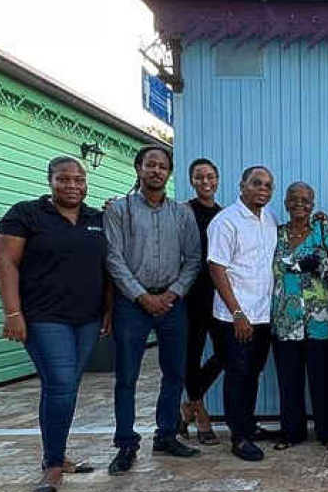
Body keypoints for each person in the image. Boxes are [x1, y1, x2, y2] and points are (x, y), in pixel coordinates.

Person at [0, 156, 112, 492]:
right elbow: (5, 260)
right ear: (50, 181)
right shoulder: (26, 214)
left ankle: (55, 452)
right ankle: (54, 465)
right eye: (64, 179)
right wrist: (12, 313)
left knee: (65, 386)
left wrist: (107, 308)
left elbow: (106, 266)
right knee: (60, 383)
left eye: (78, 179)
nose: (72, 185)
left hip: (86, 318)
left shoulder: (97, 219)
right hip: (44, 317)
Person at [104, 145, 202, 475]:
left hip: (173, 303)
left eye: (162, 166)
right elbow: (113, 258)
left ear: (169, 173)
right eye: (150, 165)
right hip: (132, 305)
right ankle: (126, 444)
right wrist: (141, 296)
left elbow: (192, 259)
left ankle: (166, 435)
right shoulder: (119, 210)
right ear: (138, 168)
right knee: (127, 377)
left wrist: (173, 293)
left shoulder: (182, 213)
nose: (156, 171)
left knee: (174, 373)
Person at [271, 182, 328, 452]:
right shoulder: (275, 234)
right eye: (294, 199)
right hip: (286, 319)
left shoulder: (323, 230)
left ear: (313, 204)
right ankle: (291, 432)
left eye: (306, 200)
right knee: (289, 378)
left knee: (326, 378)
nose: (300, 204)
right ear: (285, 203)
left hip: (323, 319)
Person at [207, 166, 279, 462]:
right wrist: (237, 312)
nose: (263, 188)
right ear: (242, 186)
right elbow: (216, 267)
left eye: (268, 185)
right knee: (237, 374)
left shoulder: (269, 219)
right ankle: (239, 436)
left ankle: (248, 425)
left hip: (262, 315)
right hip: (236, 316)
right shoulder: (226, 221)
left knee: (253, 373)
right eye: (256, 183)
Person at [180, 158, 224, 445]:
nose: (205, 181)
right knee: (191, 355)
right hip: (191, 293)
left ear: (217, 179)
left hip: (219, 292)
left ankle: (189, 406)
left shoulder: (224, 215)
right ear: (192, 181)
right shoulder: (183, 212)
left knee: (226, 353)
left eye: (210, 176)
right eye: (199, 177)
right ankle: (201, 412)